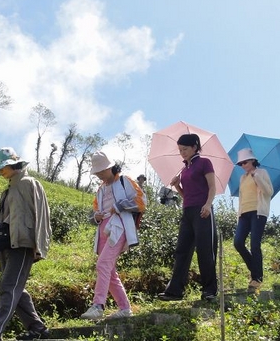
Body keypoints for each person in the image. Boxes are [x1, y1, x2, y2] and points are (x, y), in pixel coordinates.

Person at [0, 148, 52, 341]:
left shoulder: (29, 183)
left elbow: (42, 215)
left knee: (9, 287)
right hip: (8, 244)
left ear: (12, 164)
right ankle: (37, 328)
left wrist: (40, 244)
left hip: (24, 244)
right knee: (16, 288)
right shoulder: (9, 189)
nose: (0, 172)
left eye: (2, 168)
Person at [80, 151, 146, 320]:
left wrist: (119, 206)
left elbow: (142, 202)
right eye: (97, 173)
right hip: (103, 229)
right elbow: (96, 209)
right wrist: (96, 216)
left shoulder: (125, 181)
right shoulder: (100, 189)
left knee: (103, 265)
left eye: (102, 171)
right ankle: (125, 308)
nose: (100, 175)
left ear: (110, 167)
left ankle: (98, 306)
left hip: (119, 227)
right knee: (109, 270)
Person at [158, 132, 218, 301]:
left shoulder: (205, 163)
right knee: (182, 250)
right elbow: (187, 196)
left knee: (205, 250)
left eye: (185, 149)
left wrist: (207, 204)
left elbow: (212, 187)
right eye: (180, 150)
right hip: (188, 211)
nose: (182, 152)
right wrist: (177, 186)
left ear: (194, 147)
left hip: (203, 210)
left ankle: (210, 290)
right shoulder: (184, 169)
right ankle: (175, 291)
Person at [233, 148, 273, 294]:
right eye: (241, 164)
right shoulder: (242, 178)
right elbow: (242, 198)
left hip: (258, 212)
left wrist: (257, 177)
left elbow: (269, 192)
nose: (243, 165)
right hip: (244, 213)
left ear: (252, 161)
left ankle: (256, 278)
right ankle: (256, 270)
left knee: (255, 244)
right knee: (238, 242)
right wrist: (239, 214)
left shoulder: (261, 173)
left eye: (245, 162)